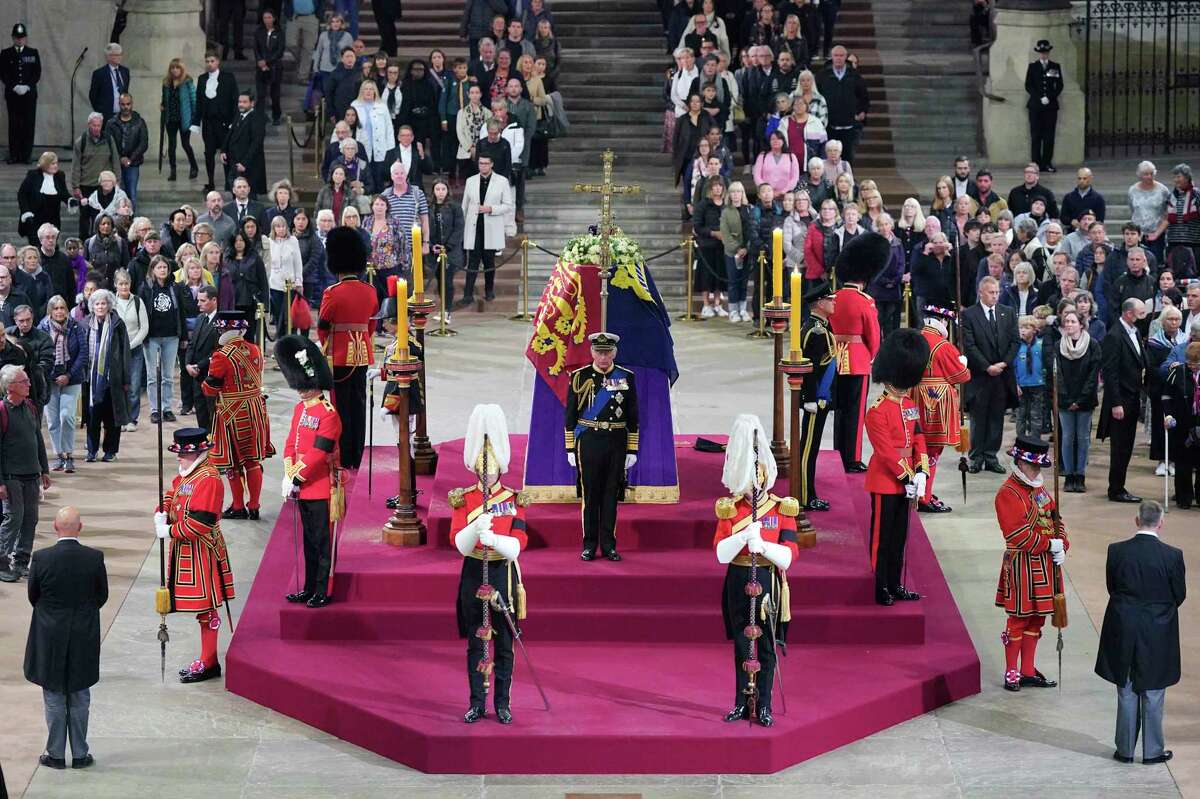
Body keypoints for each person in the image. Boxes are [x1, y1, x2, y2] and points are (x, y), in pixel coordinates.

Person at [713, 413, 798, 728]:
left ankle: (764, 704)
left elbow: (789, 556)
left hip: (767, 579)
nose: (753, 487)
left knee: (765, 645)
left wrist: (764, 546)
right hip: (737, 577)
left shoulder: (780, 508)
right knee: (740, 642)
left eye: (756, 480)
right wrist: (741, 538)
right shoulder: (731, 509)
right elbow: (721, 553)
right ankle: (740, 702)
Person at [448, 404, 529, 724]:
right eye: (482, 470)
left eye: (491, 469)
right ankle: (477, 702)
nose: (486, 475)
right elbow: (458, 542)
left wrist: (494, 539)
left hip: (502, 572)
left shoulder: (514, 499)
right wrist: (473, 529)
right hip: (473, 572)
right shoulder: (464, 499)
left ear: (500, 468)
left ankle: (503, 703)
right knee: (475, 642)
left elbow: (519, 544)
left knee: (505, 645)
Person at [1097, 501, 1183, 766]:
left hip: (1123, 624)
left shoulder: (1117, 551)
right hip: (1158, 629)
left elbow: (1113, 587)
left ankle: (1124, 750)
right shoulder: (1172, 555)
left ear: (1137, 521)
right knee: (1154, 689)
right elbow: (1179, 595)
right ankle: (1152, 751)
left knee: (1126, 685)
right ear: (1161, 523)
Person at [22, 506, 105, 768]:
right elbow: (101, 595)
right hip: (83, 633)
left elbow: (33, 596)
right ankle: (80, 754)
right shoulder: (94, 558)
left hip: (49, 634)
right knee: (80, 693)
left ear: (56, 528)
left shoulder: (41, 558)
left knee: (54, 694)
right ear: (80, 527)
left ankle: (55, 754)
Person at [155, 427, 235, 684]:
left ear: (198, 452)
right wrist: (163, 510)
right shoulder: (189, 474)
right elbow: (173, 494)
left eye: (182, 453)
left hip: (203, 551)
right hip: (186, 550)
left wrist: (169, 529)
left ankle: (209, 661)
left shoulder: (208, 478)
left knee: (207, 609)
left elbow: (201, 523)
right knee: (203, 609)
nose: (178, 457)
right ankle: (207, 659)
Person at [994, 435, 1067, 692]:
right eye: (1033, 466)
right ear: (1021, 463)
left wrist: (1063, 545)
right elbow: (1016, 534)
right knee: (1018, 619)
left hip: (1044, 566)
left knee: (1037, 620)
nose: (1037, 470)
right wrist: (1049, 545)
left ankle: (1027, 670)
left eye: (1039, 466)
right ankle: (1011, 670)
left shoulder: (1040, 488)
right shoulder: (1008, 493)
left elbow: (1056, 519)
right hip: (1022, 564)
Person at [276, 334, 342, 608]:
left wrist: (297, 475)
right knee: (308, 541)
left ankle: (322, 589)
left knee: (321, 542)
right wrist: (288, 470)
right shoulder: (300, 408)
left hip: (320, 485)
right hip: (302, 484)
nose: (301, 391)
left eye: (305, 386)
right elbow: (292, 442)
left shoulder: (329, 414)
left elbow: (319, 453)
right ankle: (308, 587)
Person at [865, 327, 930, 606]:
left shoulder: (909, 404)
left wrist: (923, 470)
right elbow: (886, 453)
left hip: (908, 479)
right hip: (885, 481)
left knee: (900, 537)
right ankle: (880, 586)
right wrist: (908, 476)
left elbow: (918, 437)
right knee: (883, 539)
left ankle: (895, 583)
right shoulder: (876, 411)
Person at [565, 332, 638, 562]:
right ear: (592, 352)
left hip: (616, 442)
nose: (603, 357)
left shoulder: (626, 377)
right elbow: (570, 415)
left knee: (610, 495)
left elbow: (633, 415)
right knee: (590, 496)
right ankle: (589, 545)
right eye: (599, 352)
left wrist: (632, 449)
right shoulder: (579, 376)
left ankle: (608, 546)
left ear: (614, 352)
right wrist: (569, 448)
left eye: (607, 352)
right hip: (589, 441)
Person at [201, 310, 274, 520]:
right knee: (253, 461)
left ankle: (239, 505)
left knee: (231, 463)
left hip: (232, 414)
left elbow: (210, 389)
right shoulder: (256, 350)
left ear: (224, 330)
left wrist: (205, 383)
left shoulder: (221, 356)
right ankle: (255, 505)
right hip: (256, 410)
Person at [317, 228, 378, 470]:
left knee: (340, 407)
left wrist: (326, 345)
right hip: (362, 354)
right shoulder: (370, 291)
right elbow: (371, 324)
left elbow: (323, 327)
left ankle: (344, 455)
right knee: (358, 404)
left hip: (339, 355)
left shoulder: (332, 293)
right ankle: (358, 454)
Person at [829, 233, 886, 472]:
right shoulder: (865, 301)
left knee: (840, 410)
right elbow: (873, 336)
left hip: (835, 358)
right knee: (855, 412)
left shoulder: (834, 297)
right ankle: (851, 457)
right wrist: (873, 355)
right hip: (858, 359)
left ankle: (837, 452)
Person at [914, 305, 970, 513]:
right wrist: (963, 363)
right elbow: (961, 376)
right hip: (937, 401)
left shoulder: (916, 339)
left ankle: (920, 490)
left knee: (918, 446)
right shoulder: (943, 345)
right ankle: (924, 496)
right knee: (931, 451)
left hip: (915, 396)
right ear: (944, 322)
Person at [0, 364, 51, 582]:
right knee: (14, 518)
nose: (29, 384)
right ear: (10, 387)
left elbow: (38, 440)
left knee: (31, 519)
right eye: (24, 382)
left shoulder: (30, 407)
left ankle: (21, 561)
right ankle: (2, 564)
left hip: (31, 474)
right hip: (11, 476)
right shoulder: (2, 411)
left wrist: (45, 469)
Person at [962, 276, 1018, 473]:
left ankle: (991, 456)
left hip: (1002, 376)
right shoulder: (969, 315)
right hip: (979, 377)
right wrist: (987, 367)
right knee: (978, 419)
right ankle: (976, 457)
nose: (995, 296)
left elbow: (1014, 342)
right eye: (991, 293)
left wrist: (1003, 364)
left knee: (996, 418)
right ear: (981, 293)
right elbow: (969, 345)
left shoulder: (1008, 313)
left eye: (997, 292)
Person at [1099, 298, 1148, 503]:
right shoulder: (1114, 335)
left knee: (1127, 445)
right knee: (1120, 447)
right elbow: (1110, 372)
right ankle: (1116, 489)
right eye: (1141, 313)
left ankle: (1119, 485)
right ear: (1129, 313)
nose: (1144, 316)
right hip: (1121, 400)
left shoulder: (1134, 331)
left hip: (1133, 396)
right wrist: (1116, 403)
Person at [798, 280, 837, 510]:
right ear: (820, 303)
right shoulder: (815, 330)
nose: (833, 303)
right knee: (808, 449)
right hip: (816, 399)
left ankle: (809, 493)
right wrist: (810, 398)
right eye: (830, 300)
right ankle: (805, 496)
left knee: (812, 447)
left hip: (823, 397)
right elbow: (809, 367)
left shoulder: (822, 326)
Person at [38, 296, 87, 473]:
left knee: (67, 416)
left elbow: (83, 353)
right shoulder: (42, 328)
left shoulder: (75, 327)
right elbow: (40, 354)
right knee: (52, 421)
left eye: (62, 308)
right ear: (50, 311)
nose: (59, 311)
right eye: (56, 308)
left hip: (71, 378)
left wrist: (68, 375)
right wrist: (52, 376)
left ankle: (69, 454)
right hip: (49, 381)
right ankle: (58, 456)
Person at [82, 288, 131, 461]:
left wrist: (126, 378)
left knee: (112, 418)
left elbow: (125, 352)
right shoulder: (85, 323)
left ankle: (110, 451)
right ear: (92, 306)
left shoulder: (118, 324)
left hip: (113, 379)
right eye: (97, 304)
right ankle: (92, 450)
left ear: (109, 305)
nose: (100, 307)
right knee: (93, 417)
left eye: (103, 303)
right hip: (91, 379)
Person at [459, 154, 512, 307]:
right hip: (473, 226)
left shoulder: (502, 181)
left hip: (491, 226)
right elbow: (464, 206)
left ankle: (489, 291)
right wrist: (462, 227)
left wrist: (491, 209)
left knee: (489, 261)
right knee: (472, 262)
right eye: (481, 163)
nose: (483, 166)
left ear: (492, 164)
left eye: (486, 163)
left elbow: (508, 205)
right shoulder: (470, 181)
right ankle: (468, 294)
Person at [138, 257, 187, 423]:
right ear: (152, 270)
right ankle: (155, 409)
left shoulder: (175, 287)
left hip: (171, 336)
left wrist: (184, 336)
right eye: (159, 267)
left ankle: (166, 408)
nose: (162, 270)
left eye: (165, 267)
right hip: (151, 337)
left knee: (167, 376)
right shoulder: (145, 288)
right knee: (152, 376)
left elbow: (181, 313)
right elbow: (141, 313)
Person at [69, 113, 121, 241]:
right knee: (85, 216)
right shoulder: (81, 142)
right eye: (94, 125)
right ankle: (83, 241)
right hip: (86, 185)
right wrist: (75, 186)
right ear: (89, 125)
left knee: (100, 216)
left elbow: (115, 161)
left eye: (99, 125)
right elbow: (75, 165)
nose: (96, 128)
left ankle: (99, 240)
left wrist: (117, 181)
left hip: (103, 186)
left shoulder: (109, 139)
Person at [195, 52, 239, 193]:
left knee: (227, 153)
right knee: (209, 153)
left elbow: (234, 100)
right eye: (207, 61)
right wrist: (196, 122)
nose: (209, 63)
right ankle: (211, 182)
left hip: (224, 123)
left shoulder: (228, 78)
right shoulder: (202, 79)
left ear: (218, 62)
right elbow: (199, 103)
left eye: (212, 61)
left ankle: (229, 181)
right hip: (208, 123)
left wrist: (233, 121)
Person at [816, 47, 867, 164]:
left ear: (845, 57)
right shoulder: (823, 75)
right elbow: (817, 96)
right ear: (831, 57)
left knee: (847, 157)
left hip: (849, 125)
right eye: (836, 55)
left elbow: (863, 96)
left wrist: (861, 111)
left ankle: (847, 180)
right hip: (829, 125)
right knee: (828, 157)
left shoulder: (854, 75)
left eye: (841, 55)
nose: (838, 58)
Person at [1, 23, 41, 165]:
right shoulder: (5, 53)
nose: (19, 40)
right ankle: (14, 155)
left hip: (29, 95)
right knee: (14, 125)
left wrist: (27, 86)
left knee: (28, 125)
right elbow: (3, 73)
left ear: (26, 38)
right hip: (13, 95)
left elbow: (37, 73)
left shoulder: (33, 53)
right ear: (12, 38)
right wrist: (14, 86)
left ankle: (26, 155)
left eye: (22, 37)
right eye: (17, 37)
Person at [103, 93, 148, 207]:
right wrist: (119, 158)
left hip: (133, 164)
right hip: (115, 164)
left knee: (131, 194)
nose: (125, 107)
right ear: (119, 105)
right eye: (123, 104)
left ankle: (131, 221)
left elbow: (143, 143)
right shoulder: (111, 123)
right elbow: (107, 144)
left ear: (132, 104)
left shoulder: (139, 122)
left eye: (128, 104)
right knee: (116, 194)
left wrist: (130, 159)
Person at [1024, 40, 1063, 172]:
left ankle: (1047, 162)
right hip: (1035, 106)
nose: (1043, 55)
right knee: (1036, 135)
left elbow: (1059, 85)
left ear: (1048, 52)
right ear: (1038, 53)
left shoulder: (1054, 66)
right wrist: (1040, 97)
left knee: (1049, 136)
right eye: (1041, 53)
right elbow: (1028, 85)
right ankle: (1036, 163)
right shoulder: (1033, 66)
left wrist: (1050, 97)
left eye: (1045, 52)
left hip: (1050, 107)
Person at [186, 285, 219, 431]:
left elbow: (218, 350)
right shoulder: (200, 318)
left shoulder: (221, 322)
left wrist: (199, 365)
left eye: (203, 301)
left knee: (213, 411)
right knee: (200, 410)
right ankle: (204, 439)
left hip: (211, 374)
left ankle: (215, 443)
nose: (198, 304)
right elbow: (192, 344)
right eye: (198, 300)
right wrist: (187, 364)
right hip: (196, 374)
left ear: (214, 300)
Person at [18, 153, 70, 247]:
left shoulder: (60, 175)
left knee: (51, 246)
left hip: (53, 219)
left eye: (56, 163)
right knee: (37, 246)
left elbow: (64, 193)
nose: (56, 166)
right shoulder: (33, 175)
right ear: (45, 164)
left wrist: (70, 200)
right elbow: (22, 194)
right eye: (53, 163)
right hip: (35, 219)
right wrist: (26, 212)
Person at [265, 216, 304, 338]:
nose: (280, 229)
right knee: (278, 317)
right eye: (277, 226)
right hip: (274, 285)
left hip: (290, 285)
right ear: (273, 228)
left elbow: (298, 263)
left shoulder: (293, 241)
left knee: (289, 317)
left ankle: (291, 342)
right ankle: (280, 343)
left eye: (283, 226)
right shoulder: (269, 241)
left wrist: (299, 282)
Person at [222, 91, 267, 197]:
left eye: (244, 102)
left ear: (252, 103)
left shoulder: (257, 118)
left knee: (248, 195)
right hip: (234, 162)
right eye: (239, 102)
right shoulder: (239, 115)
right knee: (235, 192)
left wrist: (245, 163)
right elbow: (231, 133)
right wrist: (223, 150)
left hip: (248, 166)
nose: (241, 104)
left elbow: (256, 143)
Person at [1165, 163, 1200, 273]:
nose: (1175, 180)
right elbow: (1167, 217)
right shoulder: (1172, 196)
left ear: (1187, 177)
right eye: (1174, 177)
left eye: (1178, 176)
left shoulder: (1197, 194)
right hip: (1174, 242)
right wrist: (1155, 234)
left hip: (1193, 242)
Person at [253, 8, 285, 125]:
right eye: (265, 18)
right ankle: (260, 116)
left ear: (274, 18)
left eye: (269, 17)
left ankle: (276, 116)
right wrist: (260, 60)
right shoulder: (259, 32)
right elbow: (256, 48)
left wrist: (267, 61)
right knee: (261, 94)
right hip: (260, 67)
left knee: (275, 94)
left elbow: (280, 51)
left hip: (275, 67)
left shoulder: (279, 32)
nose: (267, 20)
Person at [88, 43, 130, 122]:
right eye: (116, 55)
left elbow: (126, 92)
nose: (119, 57)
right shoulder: (99, 73)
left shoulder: (125, 71)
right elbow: (93, 96)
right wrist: (100, 112)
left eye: (120, 54)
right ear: (108, 57)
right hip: (106, 116)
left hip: (123, 115)